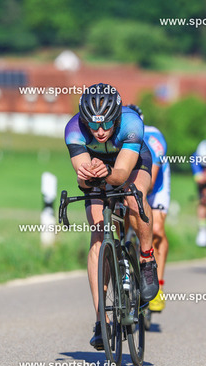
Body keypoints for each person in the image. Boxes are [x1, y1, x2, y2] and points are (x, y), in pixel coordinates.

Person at [64, 83, 158, 350]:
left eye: (106, 123)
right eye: (93, 125)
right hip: (97, 165)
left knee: (133, 198)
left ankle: (147, 259)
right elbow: (83, 182)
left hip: (131, 161)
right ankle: (100, 321)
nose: (100, 131)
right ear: (84, 120)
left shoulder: (131, 123)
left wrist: (105, 172)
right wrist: (87, 176)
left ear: (116, 117)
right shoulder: (73, 129)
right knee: (97, 234)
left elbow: (121, 175)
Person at [126, 104, 170, 312]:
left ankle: (157, 285)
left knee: (157, 230)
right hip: (128, 182)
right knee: (123, 220)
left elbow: (150, 183)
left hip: (155, 185)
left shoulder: (154, 139)